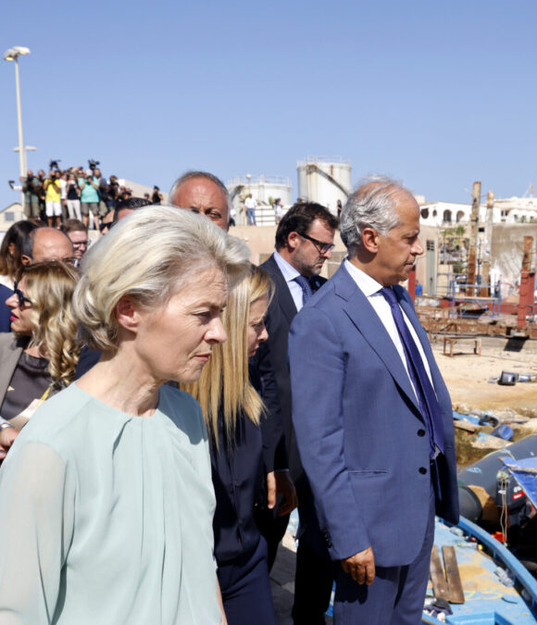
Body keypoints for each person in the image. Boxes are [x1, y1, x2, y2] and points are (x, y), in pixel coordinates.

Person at [0, 206, 248, 623]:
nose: (220, 333)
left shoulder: (186, 415)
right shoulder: (52, 446)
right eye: (202, 314)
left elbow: (200, 573)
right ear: (128, 309)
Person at [289, 180, 459, 624]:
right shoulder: (322, 320)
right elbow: (320, 441)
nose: (418, 249)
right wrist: (347, 536)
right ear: (370, 238)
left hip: (416, 507)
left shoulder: (399, 298)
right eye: (409, 238)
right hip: (369, 526)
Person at [180, 265, 288, 624]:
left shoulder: (249, 380)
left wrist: (275, 466)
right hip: (191, 573)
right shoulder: (174, 400)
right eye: (256, 324)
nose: (266, 334)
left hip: (247, 562)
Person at [252, 202, 335, 614]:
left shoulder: (321, 291)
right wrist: (270, 457)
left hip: (319, 445)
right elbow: (257, 380)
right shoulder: (257, 288)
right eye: (321, 245)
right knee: (266, 543)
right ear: (293, 239)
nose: (327, 254)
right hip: (277, 446)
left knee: (320, 544)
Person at [0, 261, 80, 459]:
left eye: (20, 298)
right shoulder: (3, 346)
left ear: (49, 308)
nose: (9, 301)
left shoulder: (85, 366)